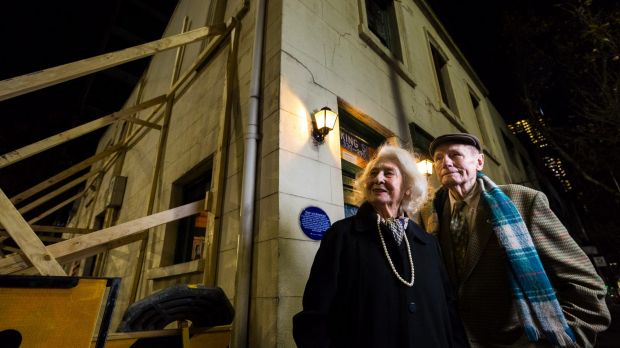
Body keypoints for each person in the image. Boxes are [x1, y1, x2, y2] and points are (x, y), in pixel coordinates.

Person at [420, 133, 611, 347]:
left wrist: (560, 341)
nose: (444, 162)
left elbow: (586, 286)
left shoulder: (523, 201)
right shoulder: (433, 215)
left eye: (455, 155)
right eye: (438, 158)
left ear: (479, 161)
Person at [293, 144, 467, 347]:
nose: (378, 179)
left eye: (388, 173)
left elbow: (449, 310)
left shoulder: (428, 243)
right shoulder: (341, 236)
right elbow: (315, 316)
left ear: (407, 186)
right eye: (373, 173)